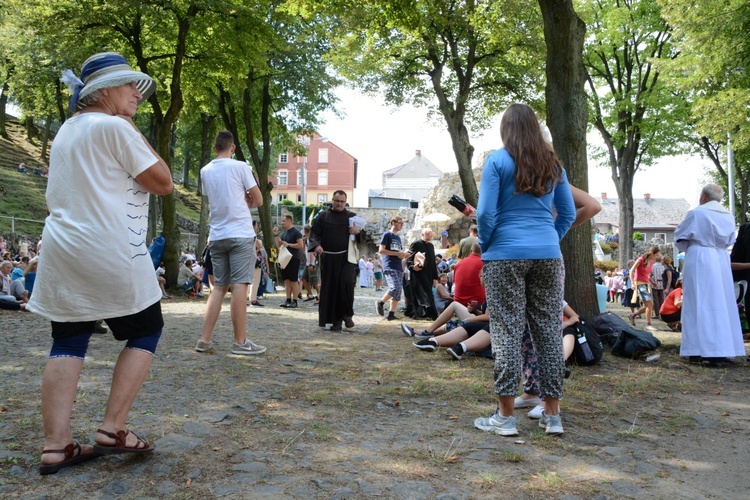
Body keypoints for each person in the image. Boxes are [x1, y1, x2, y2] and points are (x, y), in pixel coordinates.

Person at [26, 52, 173, 474]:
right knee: (146, 329)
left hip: (63, 248)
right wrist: (132, 130)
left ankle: (56, 445)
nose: (137, 95)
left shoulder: (68, 129)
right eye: (130, 86)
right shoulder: (114, 126)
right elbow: (161, 182)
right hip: (111, 247)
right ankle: (113, 428)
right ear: (103, 90)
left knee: (68, 341)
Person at [473, 103, 575, 437]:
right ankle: (552, 415)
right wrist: (549, 242)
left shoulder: (497, 161)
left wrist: (488, 247)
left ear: (506, 129)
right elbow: (569, 213)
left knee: (507, 333)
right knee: (549, 332)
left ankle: (504, 418)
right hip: (548, 255)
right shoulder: (553, 163)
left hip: (504, 255)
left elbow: (485, 214)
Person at [195, 130, 265, 356]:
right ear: (232, 148)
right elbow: (259, 200)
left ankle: (204, 340)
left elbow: (217, 197)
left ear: (215, 148)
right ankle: (240, 341)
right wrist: (247, 200)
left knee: (219, 287)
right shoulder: (241, 167)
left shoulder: (205, 170)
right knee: (239, 285)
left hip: (216, 234)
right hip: (240, 233)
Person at [674, 183, 745, 366]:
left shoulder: (697, 213)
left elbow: (681, 236)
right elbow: (730, 239)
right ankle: (721, 349)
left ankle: (697, 349)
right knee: (722, 301)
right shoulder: (728, 215)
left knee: (698, 301)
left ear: (703, 197)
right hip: (721, 257)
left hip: (700, 256)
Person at [309, 190, 363, 331]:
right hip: (329, 258)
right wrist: (317, 246)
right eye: (337, 201)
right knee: (331, 289)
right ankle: (336, 321)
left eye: (342, 201)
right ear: (332, 200)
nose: (339, 204)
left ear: (345, 202)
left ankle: (347, 315)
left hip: (347, 257)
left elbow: (362, 236)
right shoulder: (323, 216)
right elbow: (314, 235)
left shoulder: (351, 217)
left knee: (346, 284)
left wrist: (357, 232)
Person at [376, 216, 410, 321]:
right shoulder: (387, 235)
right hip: (390, 265)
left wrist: (403, 255)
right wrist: (397, 253)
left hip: (398, 266)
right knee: (394, 287)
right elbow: (381, 250)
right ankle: (380, 302)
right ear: (393, 223)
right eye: (400, 223)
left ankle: (391, 314)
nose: (402, 225)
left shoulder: (398, 238)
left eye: (402, 223)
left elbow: (398, 253)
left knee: (398, 290)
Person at [404, 228, 439, 320]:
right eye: (428, 236)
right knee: (418, 293)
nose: (429, 238)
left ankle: (428, 313)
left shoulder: (431, 246)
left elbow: (432, 262)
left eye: (431, 236)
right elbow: (408, 258)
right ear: (423, 234)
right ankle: (418, 313)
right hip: (418, 274)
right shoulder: (416, 244)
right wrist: (412, 266)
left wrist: (435, 277)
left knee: (428, 293)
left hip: (428, 275)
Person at [273, 215, 304, 308]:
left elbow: (300, 245)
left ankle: (295, 300)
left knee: (293, 280)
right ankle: (288, 299)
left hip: (293, 259)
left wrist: (289, 245)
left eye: (283, 221)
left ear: (289, 220)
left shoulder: (296, 232)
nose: (282, 223)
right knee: (286, 280)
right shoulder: (284, 233)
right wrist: (275, 235)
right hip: (284, 259)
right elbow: (278, 245)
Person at [628, 246, 660, 330]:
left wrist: (652, 282)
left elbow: (646, 274)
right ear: (653, 253)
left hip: (647, 284)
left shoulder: (652, 261)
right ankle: (648, 324)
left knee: (650, 306)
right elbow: (631, 271)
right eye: (657, 255)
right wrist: (632, 283)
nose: (657, 257)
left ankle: (633, 315)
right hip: (639, 284)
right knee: (650, 304)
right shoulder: (640, 260)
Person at [452, 243, 486, 308]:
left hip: (458, 302)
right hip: (477, 303)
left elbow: (455, 282)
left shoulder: (459, 263)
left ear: (471, 251)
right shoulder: (484, 263)